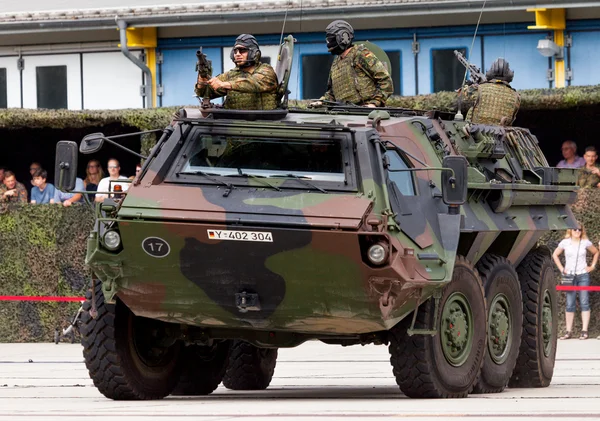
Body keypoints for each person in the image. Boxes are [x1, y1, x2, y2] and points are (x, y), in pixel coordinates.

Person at [310, 20, 393, 108]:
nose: (328, 43)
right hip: (344, 112)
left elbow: (385, 81)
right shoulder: (336, 63)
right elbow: (331, 93)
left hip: (366, 112)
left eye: (331, 39)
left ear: (343, 37)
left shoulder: (360, 54)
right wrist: (322, 102)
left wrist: (374, 103)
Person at [194, 34, 278, 110]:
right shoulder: (231, 75)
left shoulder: (266, 70)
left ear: (253, 53)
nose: (237, 54)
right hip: (234, 121)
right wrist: (202, 76)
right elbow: (205, 92)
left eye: (242, 50)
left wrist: (225, 84)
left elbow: (253, 83)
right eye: (235, 51)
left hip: (260, 122)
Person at [553, 223, 599, 340]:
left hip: (583, 275)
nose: (577, 231)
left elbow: (596, 252)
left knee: (584, 302)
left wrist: (592, 266)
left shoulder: (585, 242)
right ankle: (568, 331)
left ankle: (584, 331)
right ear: (570, 230)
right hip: (569, 276)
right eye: (575, 229)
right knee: (569, 304)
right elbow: (555, 255)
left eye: (580, 229)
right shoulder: (565, 242)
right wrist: (562, 269)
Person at [462, 58, 520, 126]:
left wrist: (470, 84)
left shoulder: (478, 88)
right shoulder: (516, 96)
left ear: (490, 72)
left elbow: (462, 94)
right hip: (501, 134)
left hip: (475, 132)